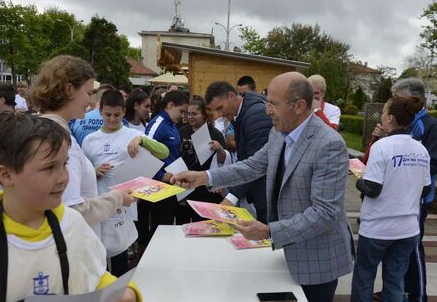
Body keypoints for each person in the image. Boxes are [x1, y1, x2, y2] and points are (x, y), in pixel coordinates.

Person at [173, 72, 354, 302]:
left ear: (299, 106)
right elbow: (253, 165)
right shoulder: (278, 132)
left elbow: (325, 213)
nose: (267, 110)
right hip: (288, 250)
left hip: (317, 259)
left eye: (273, 104)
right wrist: (204, 177)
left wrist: (269, 231)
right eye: (268, 102)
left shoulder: (329, 144)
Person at [0, 112, 142, 301]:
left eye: (64, 164)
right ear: (6, 175)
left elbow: (95, 276)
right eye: (49, 168)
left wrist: (127, 292)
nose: (63, 178)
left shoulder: (72, 223)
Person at [31, 55, 135, 236]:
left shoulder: (43, 130)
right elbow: (71, 209)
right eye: (88, 93)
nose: (91, 102)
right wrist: (116, 199)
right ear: (69, 90)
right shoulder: (58, 139)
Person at [350, 96, 431, 302]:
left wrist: (359, 179)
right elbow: (425, 189)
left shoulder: (382, 146)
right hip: (407, 229)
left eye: (384, 113)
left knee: (364, 278)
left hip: (378, 227)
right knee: (395, 280)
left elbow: (373, 188)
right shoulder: (421, 149)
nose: (382, 117)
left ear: (390, 118)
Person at [82, 89, 169, 276]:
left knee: (121, 255)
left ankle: (120, 291)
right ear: (100, 113)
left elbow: (164, 153)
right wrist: (94, 172)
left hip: (126, 205)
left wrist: (143, 141)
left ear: (123, 112)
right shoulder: (90, 140)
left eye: (117, 115)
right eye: (107, 115)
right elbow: (83, 173)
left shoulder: (132, 134)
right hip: (100, 204)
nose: (112, 119)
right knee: (99, 255)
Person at [205, 81, 272, 223]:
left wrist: (230, 198)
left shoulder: (255, 115)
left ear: (231, 96)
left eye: (220, 108)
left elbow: (256, 165)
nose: (219, 115)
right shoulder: (246, 112)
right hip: (260, 192)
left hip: (267, 195)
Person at [139, 90, 189, 246]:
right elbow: (144, 154)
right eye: (181, 111)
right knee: (159, 229)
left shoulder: (172, 124)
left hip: (171, 185)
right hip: (159, 186)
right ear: (170, 105)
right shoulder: (158, 124)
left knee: (166, 226)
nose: (182, 116)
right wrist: (161, 176)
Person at [176, 96, 227, 224]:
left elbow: (224, 162)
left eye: (194, 114)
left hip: (206, 189)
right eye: (188, 113)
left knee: (204, 224)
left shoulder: (215, 134)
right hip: (185, 187)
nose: (190, 117)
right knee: (183, 224)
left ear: (205, 115)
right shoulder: (182, 131)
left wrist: (219, 149)